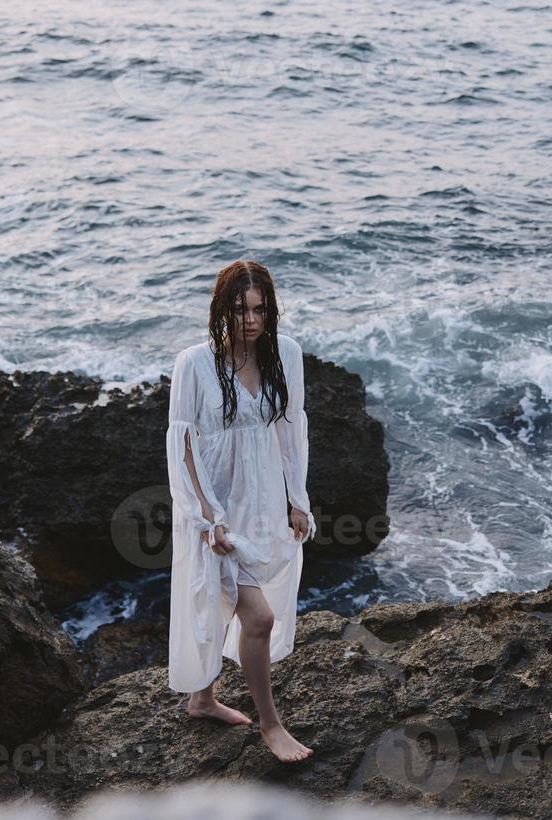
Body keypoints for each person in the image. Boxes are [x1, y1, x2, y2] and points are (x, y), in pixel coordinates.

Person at [165, 259, 318, 763]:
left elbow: (290, 430)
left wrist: (298, 499)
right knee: (258, 616)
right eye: (239, 309)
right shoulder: (194, 363)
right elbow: (183, 445)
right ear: (221, 310)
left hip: (265, 504)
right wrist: (208, 515)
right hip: (216, 503)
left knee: (220, 600)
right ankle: (271, 726)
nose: (250, 320)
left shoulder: (286, 355)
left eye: (259, 309)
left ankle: (202, 700)